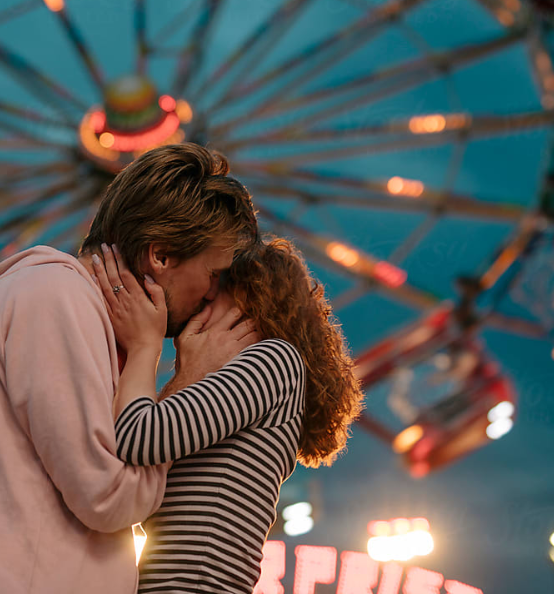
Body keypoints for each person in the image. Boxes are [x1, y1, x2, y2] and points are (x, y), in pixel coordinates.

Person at [0, 143, 259, 593]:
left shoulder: (76, 313)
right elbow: (109, 498)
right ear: (160, 256)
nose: (214, 295)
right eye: (214, 274)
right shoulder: (53, 296)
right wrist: (183, 379)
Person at [88, 236, 363, 594]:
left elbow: (138, 438)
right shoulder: (264, 376)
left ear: (248, 301)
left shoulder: (273, 361)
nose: (199, 305)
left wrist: (145, 344)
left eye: (212, 292)